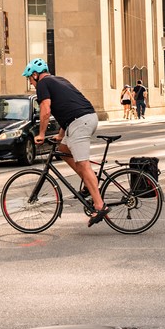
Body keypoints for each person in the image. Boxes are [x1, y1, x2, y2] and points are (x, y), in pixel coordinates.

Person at [24, 59, 109, 226]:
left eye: (29, 79)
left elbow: (46, 110)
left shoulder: (43, 84)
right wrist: (60, 135)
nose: (31, 83)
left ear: (35, 74)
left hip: (80, 122)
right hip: (85, 118)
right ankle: (88, 183)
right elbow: (68, 109)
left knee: (83, 164)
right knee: (63, 150)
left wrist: (41, 134)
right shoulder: (59, 80)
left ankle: (99, 206)